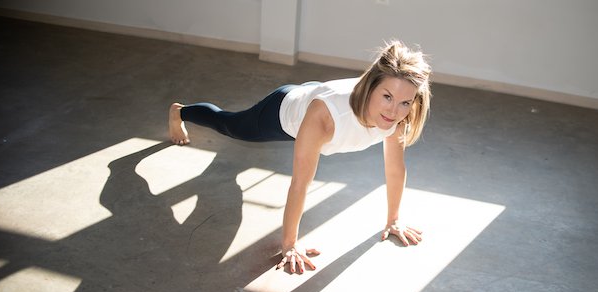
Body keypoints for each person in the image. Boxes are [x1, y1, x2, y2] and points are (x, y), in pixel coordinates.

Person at [168, 40, 432, 274]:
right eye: (387, 96)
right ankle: (180, 112)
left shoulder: (398, 118)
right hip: (283, 111)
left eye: (404, 102)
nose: (394, 110)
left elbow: (395, 168)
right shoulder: (326, 118)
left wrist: (393, 220)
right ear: (370, 88)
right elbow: (300, 183)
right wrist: (290, 245)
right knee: (232, 126)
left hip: (315, 92)